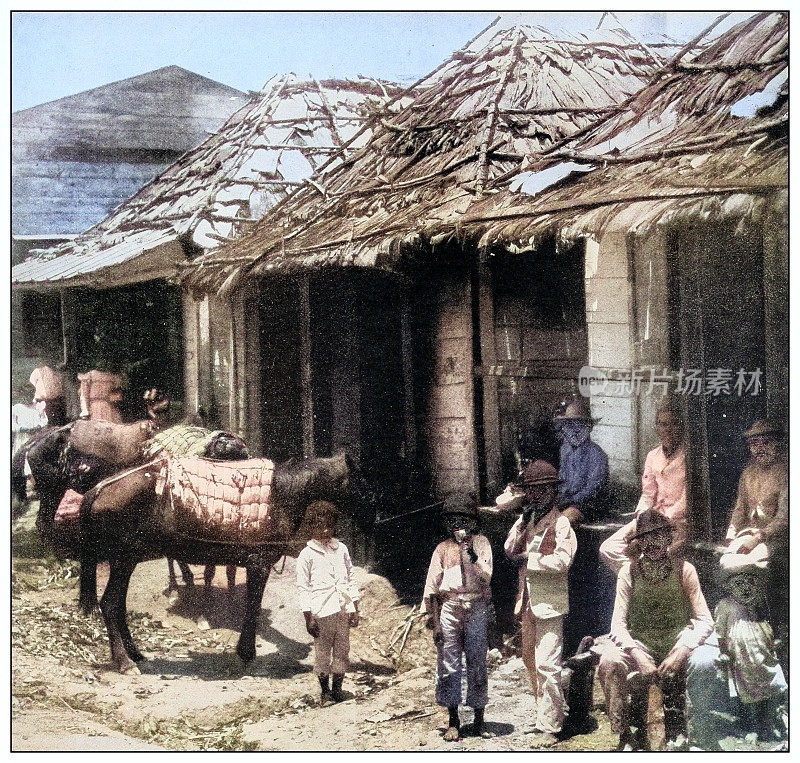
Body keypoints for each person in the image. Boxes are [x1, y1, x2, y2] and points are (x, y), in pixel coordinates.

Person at [591, 510, 712, 750]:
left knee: (706, 661)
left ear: (669, 538)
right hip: (641, 644)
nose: (653, 543)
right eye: (646, 537)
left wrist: (682, 650)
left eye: (660, 536)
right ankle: (626, 732)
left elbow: (705, 620)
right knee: (610, 660)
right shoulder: (629, 572)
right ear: (639, 542)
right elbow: (618, 624)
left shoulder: (685, 569)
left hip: (676, 642)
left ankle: (690, 731)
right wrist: (636, 653)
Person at [504, 460, 577, 747]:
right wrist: (522, 522)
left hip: (550, 602)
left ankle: (551, 725)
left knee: (548, 663)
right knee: (530, 660)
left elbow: (562, 561)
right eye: (532, 491)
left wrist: (530, 560)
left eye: (543, 490)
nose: (537, 496)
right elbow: (509, 549)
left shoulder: (561, 524)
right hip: (527, 601)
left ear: (553, 492)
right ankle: (542, 714)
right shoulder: (527, 520)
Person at [686, 557, 787, 749]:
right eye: (739, 584)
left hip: (762, 657)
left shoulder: (759, 604)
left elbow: (770, 628)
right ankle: (752, 725)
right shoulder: (726, 606)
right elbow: (721, 633)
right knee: (747, 692)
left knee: (770, 686)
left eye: (751, 582)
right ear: (729, 587)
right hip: (742, 659)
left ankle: (768, 721)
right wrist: (724, 652)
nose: (746, 588)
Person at [423, 492, 493, 741]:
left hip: (475, 607)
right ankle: (453, 719)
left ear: (474, 521)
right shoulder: (442, 549)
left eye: (464, 519)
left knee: (477, 662)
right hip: (450, 608)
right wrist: (435, 623)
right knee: (449, 664)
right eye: (452, 520)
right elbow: (432, 587)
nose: (458, 525)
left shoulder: (481, 543)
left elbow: (486, 575)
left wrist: (472, 556)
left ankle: (479, 718)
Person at [600, 398, 687, 574]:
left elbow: (687, 499)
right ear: (657, 427)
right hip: (650, 519)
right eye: (663, 424)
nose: (667, 430)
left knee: (655, 552)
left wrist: (661, 520)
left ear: (681, 427)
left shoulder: (688, 456)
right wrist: (642, 519)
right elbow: (647, 494)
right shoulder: (652, 456)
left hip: (676, 522)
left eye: (673, 424)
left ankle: (647, 576)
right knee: (609, 548)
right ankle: (640, 577)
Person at [296, 500, 360, 706]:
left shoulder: (341, 549)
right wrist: (308, 618)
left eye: (328, 526)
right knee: (323, 654)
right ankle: (325, 692)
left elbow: (351, 576)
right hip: (321, 612)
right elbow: (303, 587)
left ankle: (337, 689)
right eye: (318, 526)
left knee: (342, 651)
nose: (324, 530)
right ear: (310, 527)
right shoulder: (306, 555)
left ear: (334, 526)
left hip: (342, 609)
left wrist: (355, 607)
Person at [553, 398, 609, 527]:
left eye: (579, 424)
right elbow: (562, 479)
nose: (574, 429)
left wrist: (568, 500)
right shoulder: (565, 449)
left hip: (590, 504)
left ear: (588, 427)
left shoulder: (597, 454)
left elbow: (592, 489)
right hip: (567, 501)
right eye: (569, 424)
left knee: (564, 520)